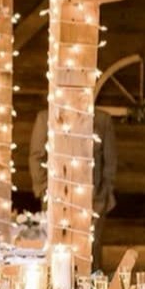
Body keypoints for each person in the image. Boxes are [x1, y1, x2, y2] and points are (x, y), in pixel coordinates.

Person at [28, 105, 117, 264]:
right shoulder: (45, 118)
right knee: (56, 251)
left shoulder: (102, 120)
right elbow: (36, 157)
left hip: (93, 201)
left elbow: (110, 162)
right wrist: (43, 189)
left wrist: (103, 194)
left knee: (90, 252)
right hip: (56, 199)